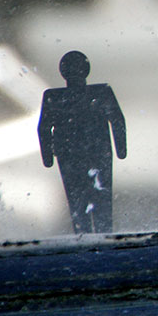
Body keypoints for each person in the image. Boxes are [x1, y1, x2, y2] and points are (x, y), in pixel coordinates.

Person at [38, 51, 126, 234]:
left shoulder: (54, 98)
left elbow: (44, 128)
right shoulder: (101, 93)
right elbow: (117, 120)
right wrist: (120, 149)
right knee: (98, 197)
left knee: (78, 199)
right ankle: (100, 233)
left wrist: (48, 157)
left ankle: (85, 233)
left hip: (71, 153)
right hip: (95, 151)